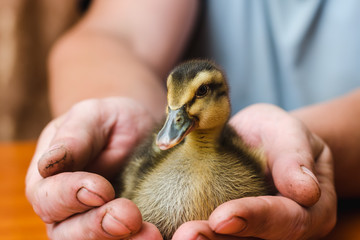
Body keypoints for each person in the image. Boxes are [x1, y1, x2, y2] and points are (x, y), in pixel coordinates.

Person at [25, 0, 360, 239]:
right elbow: (109, 37)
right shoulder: (159, 154)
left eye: (198, 96)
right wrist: (109, 111)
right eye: (176, 107)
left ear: (221, 96)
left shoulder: (248, 163)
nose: (176, 119)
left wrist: (306, 146)